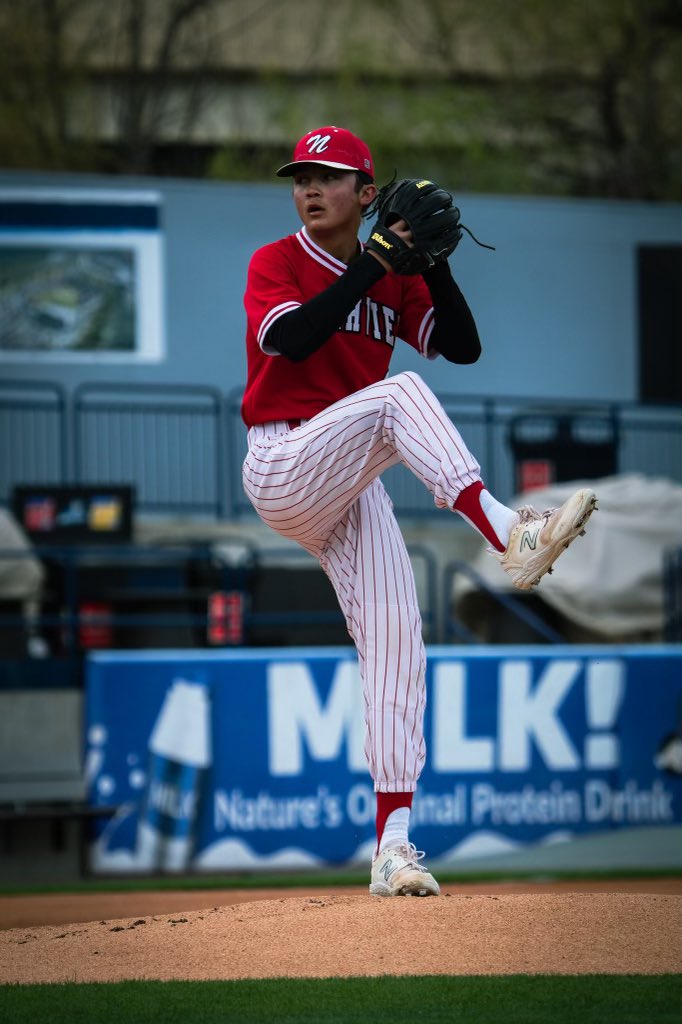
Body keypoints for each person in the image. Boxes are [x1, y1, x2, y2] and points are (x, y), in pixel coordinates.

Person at [241, 125, 596, 897]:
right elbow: (295, 340)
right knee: (399, 396)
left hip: (347, 478)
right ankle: (510, 532)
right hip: (281, 460)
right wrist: (377, 259)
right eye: (301, 174)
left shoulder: (393, 276)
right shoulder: (278, 262)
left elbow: (462, 347)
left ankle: (392, 850)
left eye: (329, 176)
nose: (309, 187)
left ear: (366, 196)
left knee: (400, 640)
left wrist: (433, 263)